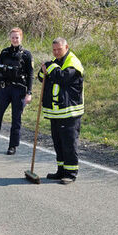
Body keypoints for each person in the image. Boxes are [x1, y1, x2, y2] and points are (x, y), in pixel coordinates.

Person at [38, 37, 84, 184]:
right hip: (56, 112)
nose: (56, 52)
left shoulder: (73, 63)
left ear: (66, 47)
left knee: (69, 143)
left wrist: (49, 67)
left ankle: (70, 173)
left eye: (59, 49)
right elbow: (42, 77)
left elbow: (62, 77)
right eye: (54, 50)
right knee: (58, 142)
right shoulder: (56, 62)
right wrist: (43, 70)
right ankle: (61, 170)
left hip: (70, 112)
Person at [0, 27, 33, 155]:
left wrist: (29, 93)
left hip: (19, 91)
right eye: (12, 37)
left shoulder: (26, 55)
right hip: (4, 89)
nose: (15, 40)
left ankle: (13, 146)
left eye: (17, 37)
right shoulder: (4, 52)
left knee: (16, 119)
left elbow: (30, 75)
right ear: (9, 38)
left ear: (21, 38)